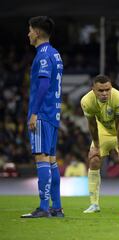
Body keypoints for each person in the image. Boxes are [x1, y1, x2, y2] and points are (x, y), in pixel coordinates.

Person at [21, 16, 64, 218]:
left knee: (41, 158)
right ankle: (57, 207)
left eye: (30, 30)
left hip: (43, 114)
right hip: (53, 114)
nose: (28, 34)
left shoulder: (43, 55)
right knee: (51, 159)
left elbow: (44, 84)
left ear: (37, 32)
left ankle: (43, 207)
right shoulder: (55, 54)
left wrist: (35, 113)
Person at [81, 75, 119, 213]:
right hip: (102, 130)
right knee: (94, 159)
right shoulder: (87, 101)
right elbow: (92, 125)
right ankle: (94, 204)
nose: (105, 93)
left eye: (107, 90)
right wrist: (96, 147)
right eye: (100, 90)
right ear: (93, 89)